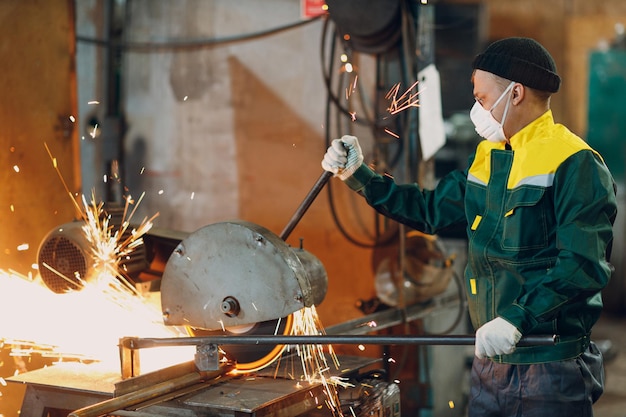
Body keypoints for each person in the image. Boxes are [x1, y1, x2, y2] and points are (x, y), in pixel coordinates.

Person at [321, 37, 617, 416]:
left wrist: (516, 319)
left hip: (549, 364)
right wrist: (359, 176)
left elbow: (582, 265)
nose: (476, 110)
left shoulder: (575, 163)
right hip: (491, 363)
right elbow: (430, 210)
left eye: (481, 99)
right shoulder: (489, 157)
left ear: (516, 93)